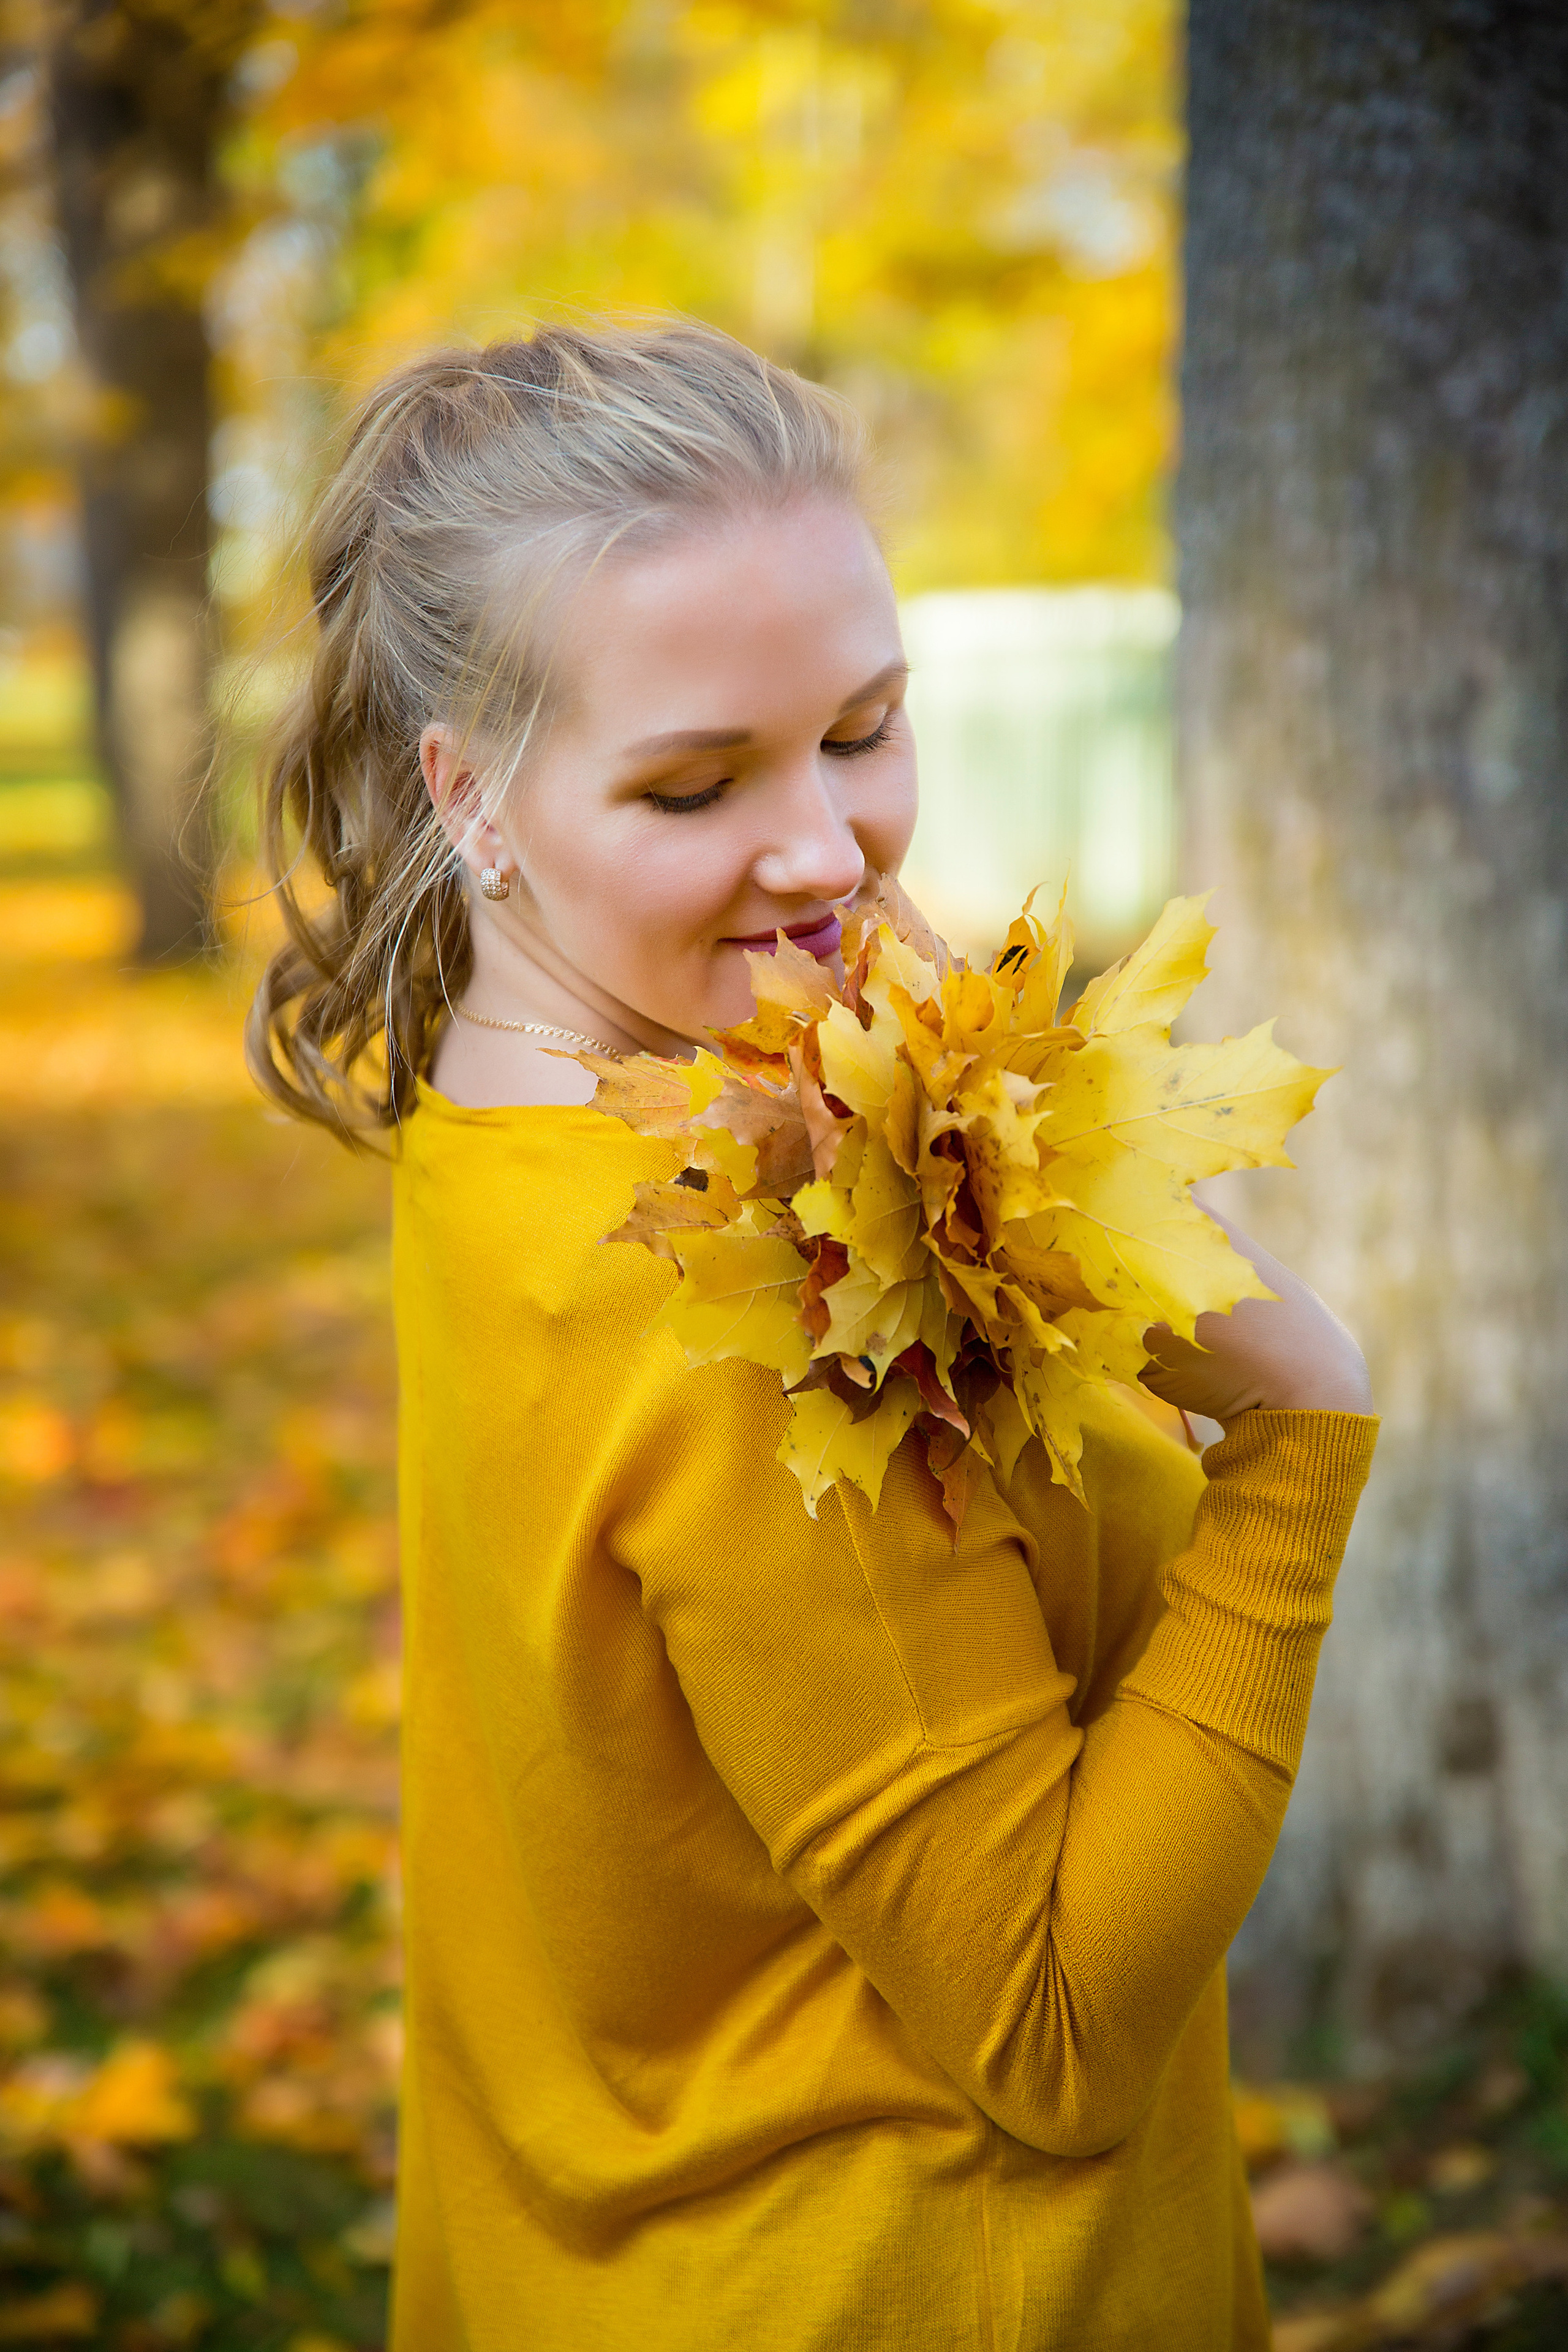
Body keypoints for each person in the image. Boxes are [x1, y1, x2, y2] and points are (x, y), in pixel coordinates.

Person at [248, 322, 1377, 2351]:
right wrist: (1298, 1436)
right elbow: (1047, 2026)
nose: (829, 852)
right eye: (696, 782)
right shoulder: (753, 1291)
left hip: (593, 2249)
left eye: (862, 731)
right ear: (467, 790)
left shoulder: (504, 1099)